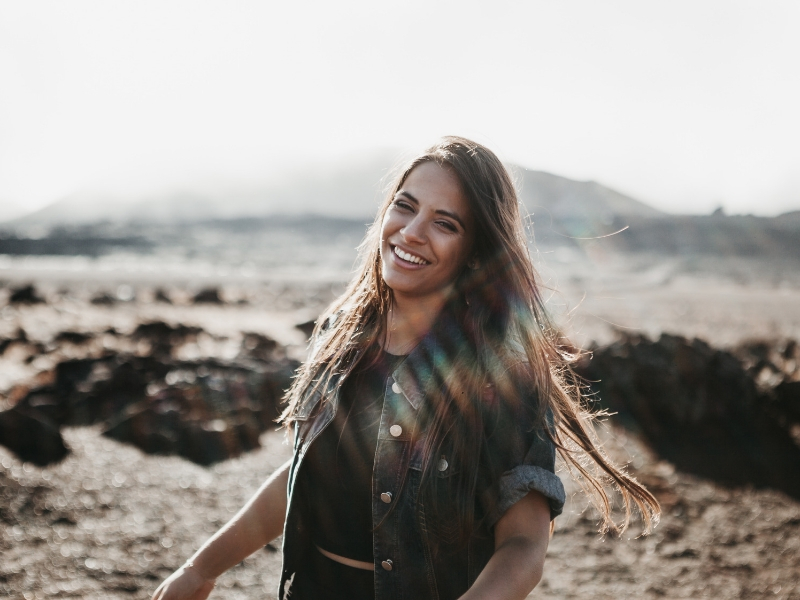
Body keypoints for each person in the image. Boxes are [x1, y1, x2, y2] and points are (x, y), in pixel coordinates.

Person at [152, 136, 660, 600]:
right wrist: (201, 570)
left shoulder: (497, 373)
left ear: (474, 251)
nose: (412, 233)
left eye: (445, 223)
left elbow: (525, 544)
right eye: (405, 206)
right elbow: (304, 478)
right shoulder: (340, 336)